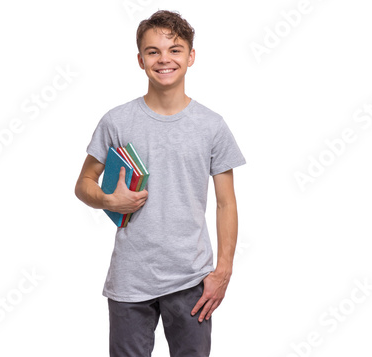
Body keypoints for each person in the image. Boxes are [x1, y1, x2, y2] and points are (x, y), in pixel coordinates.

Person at [75, 9, 246, 357]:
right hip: (130, 279)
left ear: (191, 56)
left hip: (191, 280)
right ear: (140, 60)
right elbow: (83, 184)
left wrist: (223, 271)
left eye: (175, 49)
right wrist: (109, 201)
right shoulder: (116, 121)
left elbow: (226, 202)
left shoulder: (212, 125)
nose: (164, 59)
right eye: (153, 51)